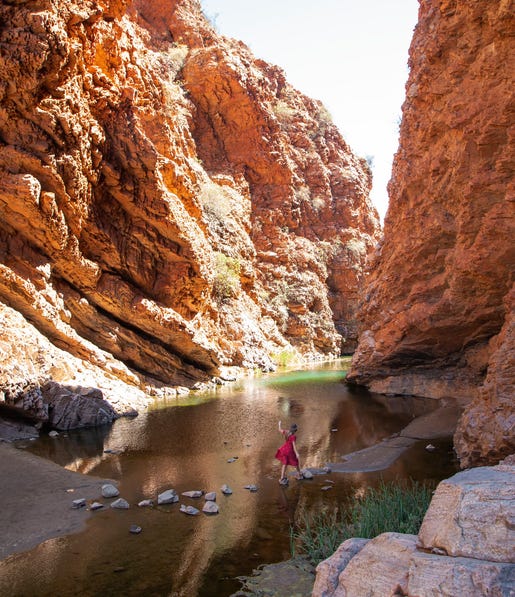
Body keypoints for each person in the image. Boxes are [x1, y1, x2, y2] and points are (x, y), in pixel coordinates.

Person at [275, 420, 303, 485]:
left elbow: (280, 430)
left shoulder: (286, 432)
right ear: (295, 430)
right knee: (296, 462)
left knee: (284, 464)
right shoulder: (293, 437)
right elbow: (294, 446)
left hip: (284, 450)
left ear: (290, 428)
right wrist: (296, 453)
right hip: (290, 451)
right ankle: (299, 474)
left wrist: (279, 424)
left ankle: (282, 478)